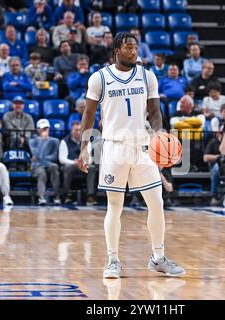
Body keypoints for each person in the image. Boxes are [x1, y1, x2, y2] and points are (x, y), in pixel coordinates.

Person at [79, 32, 185, 278]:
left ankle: (158, 257)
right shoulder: (100, 78)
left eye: (136, 47)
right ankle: (113, 260)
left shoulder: (147, 77)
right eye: (128, 47)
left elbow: (155, 111)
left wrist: (159, 133)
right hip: (114, 146)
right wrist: (84, 147)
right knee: (114, 207)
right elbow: (89, 114)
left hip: (142, 146)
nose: (134, 51)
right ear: (117, 50)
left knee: (157, 203)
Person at [59, 121, 97, 205]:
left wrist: (84, 162)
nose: (78, 132)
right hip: (71, 165)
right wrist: (74, 162)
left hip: (83, 165)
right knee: (68, 168)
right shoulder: (64, 141)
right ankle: (66, 195)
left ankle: (90, 196)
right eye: (76, 130)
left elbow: (90, 158)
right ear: (71, 131)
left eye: (80, 130)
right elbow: (62, 159)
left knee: (92, 168)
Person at [29, 118, 61, 205]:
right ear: (38, 129)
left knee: (54, 167)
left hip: (48, 164)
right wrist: (42, 140)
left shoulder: (55, 141)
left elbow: (54, 156)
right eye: (42, 129)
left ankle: (56, 195)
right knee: (41, 173)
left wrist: (41, 158)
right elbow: (37, 154)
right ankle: (41, 197)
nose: (45, 130)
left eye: (46, 128)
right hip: (37, 166)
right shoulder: (32, 141)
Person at [203, 131, 223, 205]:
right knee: (216, 169)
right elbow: (205, 158)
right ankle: (213, 197)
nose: (222, 134)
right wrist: (218, 157)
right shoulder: (213, 142)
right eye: (221, 132)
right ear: (218, 133)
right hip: (216, 165)